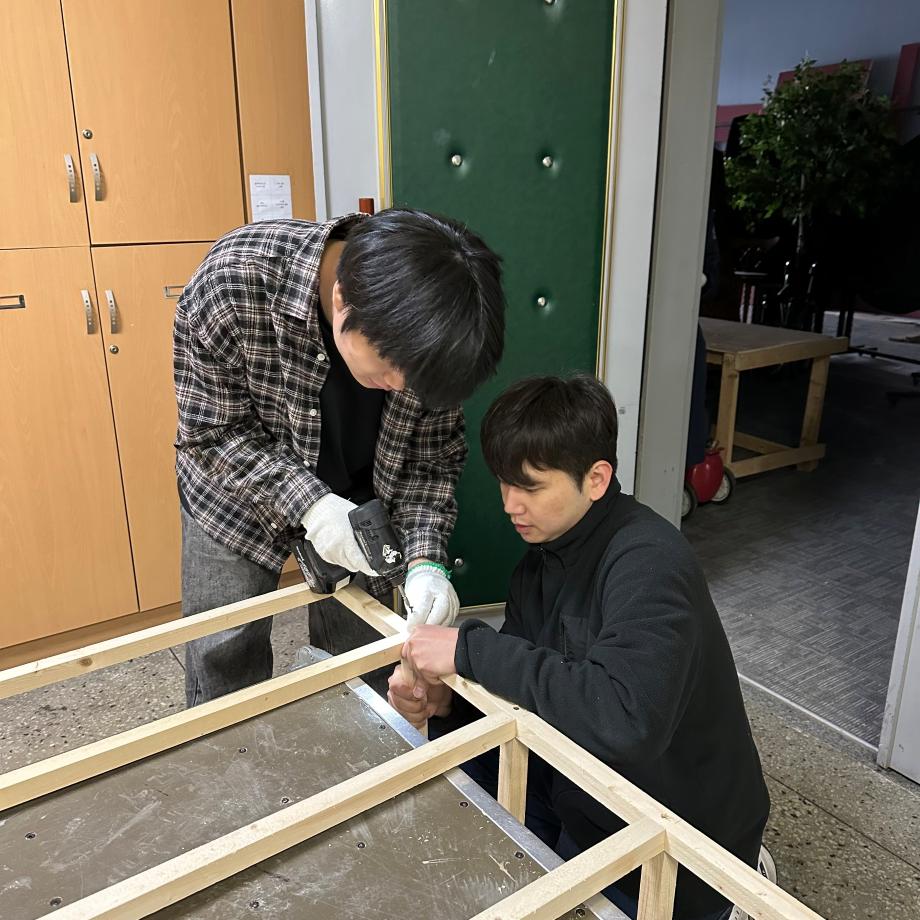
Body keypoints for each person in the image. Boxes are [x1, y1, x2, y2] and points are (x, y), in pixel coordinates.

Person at [388, 374, 770, 920]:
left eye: (531, 487)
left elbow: (624, 719)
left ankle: (735, 895)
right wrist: (446, 703)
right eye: (504, 483)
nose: (510, 505)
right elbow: (523, 690)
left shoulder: (649, 561)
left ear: (596, 479)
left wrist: (469, 651)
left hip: (681, 835)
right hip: (580, 795)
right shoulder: (539, 564)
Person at [174, 208, 505, 706]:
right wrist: (310, 504)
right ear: (342, 299)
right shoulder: (231, 283)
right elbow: (213, 434)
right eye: (389, 370)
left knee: (360, 662)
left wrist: (425, 562)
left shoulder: (438, 339)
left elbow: (430, 464)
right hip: (233, 496)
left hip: (362, 502)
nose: (401, 388)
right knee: (223, 655)